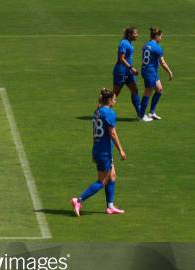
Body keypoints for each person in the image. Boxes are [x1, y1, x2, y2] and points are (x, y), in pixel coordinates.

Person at [71, 88, 126, 216]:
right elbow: (112, 133)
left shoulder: (96, 112)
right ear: (109, 100)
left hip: (98, 149)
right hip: (104, 152)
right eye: (114, 99)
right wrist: (121, 150)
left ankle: (110, 206)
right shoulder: (109, 113)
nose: (115, 101)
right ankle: (78, 200)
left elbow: (94, 132)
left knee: (112, 176)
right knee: (102, 181)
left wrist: (93, 150)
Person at [139, 27, 173, 121]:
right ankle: (141, 116)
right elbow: (163, 63)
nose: (161, 38)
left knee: (159, 89)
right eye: (161, 36)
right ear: (157, 36)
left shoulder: (146, 45)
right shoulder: (157, 48)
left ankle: (152, 113)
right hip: (150, 72)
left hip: (149, 70)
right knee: (148, 92)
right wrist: (169, 72)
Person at [112, 27, 140, 117]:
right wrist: (131, 68)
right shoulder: (123, 43)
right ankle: (100, 112)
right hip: (121, 72)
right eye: (135, 33)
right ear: (129, 34)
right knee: (114, 95)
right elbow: (121, 58)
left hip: (128, 73)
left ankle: (140, 114)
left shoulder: (129, 43)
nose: (137, 35)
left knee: (134, 90)